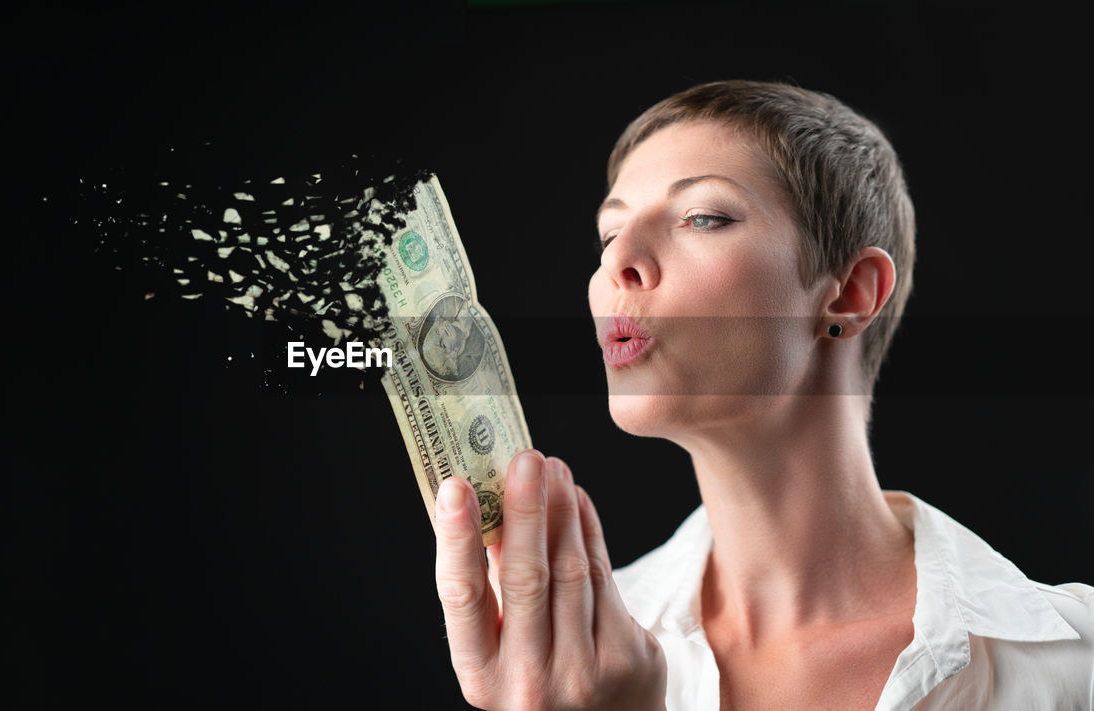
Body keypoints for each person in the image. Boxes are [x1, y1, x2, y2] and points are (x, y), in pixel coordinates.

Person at [431, 80, 1094, 710]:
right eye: (608, 233)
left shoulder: (1073, 662)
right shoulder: (566, 661)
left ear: (851, 291)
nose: (617, 261)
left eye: (703, 217)